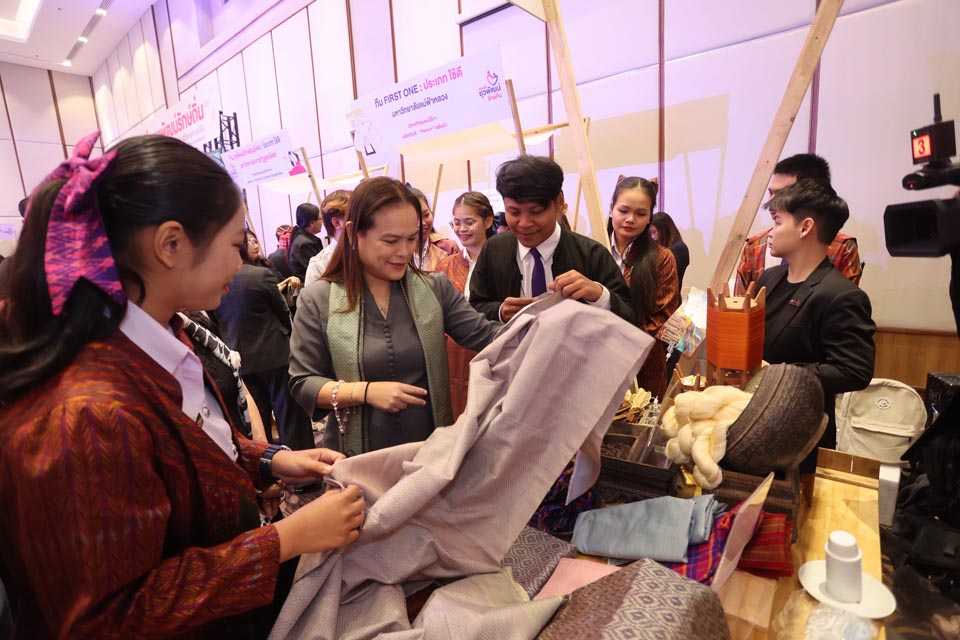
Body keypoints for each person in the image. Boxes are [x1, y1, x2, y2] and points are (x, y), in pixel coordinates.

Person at [0, 133, 365, 638]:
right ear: (170, 244)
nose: (241, 262)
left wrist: (268, 459)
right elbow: (109, 618)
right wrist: (284, 539)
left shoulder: (161, 336)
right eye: (234, 245)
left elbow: (185, 443)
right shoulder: (87, 414)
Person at [288, 177, 500, 455]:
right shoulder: (319, 299)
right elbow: (303, 382)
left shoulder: (434, 289)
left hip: (432, 453)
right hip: (359, 459)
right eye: (390, 241)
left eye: (412, 239)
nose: (404, 252)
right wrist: (364, 392)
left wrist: (546, 318)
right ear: (352, 233)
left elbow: (488, 335)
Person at [757, 179, 876, 472]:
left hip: (800, 434)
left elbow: (854, 370)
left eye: (777, 222)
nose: (770, 232)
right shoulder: (769, 279)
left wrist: (776, 374)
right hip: (754, 421)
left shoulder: (841, 295)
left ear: (805, 227)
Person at [469, 155, 634, 324]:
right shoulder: (494, 250)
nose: (524, 223)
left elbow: (629, 316)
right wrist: (499, 311)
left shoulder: (591, 254)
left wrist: (598, 295)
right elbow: (475, 306)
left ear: (559, 202)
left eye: (536, 211)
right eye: (514, 212)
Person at [217, 231, 315, 451]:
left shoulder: (216, 280)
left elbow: (217, 320)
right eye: (250, 241)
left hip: (240, 359)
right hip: (275, 356)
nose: (255, 245)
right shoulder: (260, 275)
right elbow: (283, 312)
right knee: (291, 418)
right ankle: (302, 467)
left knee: (257, 421)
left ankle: (268, 465)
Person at [735, 153, 862, 295]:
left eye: (781, 194)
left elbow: (843, 297)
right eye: (770, 193)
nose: (771, 203)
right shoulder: (755, 247)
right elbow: (740, 304)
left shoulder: (842, 248)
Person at [607, 177, 680, 398]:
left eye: (640, 213)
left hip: (644, 363)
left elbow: (662, 316)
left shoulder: (662, 258)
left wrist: (623, 345)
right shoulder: (593, 250)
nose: (630, 219)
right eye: (623, 211)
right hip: (595, 361)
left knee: (641, 416)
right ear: (611, 210)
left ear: (649, 217)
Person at [436, 191, 496, 417]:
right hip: (452, 355)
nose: (462, 229)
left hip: (491, 349)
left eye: (469, 222)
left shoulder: (502, 262)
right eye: (457, 222)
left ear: (487, 221)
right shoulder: (446, 266)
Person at [304, 189, 351, 289]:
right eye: (354, 215)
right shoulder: (319, 265)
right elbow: (313, 298)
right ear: (336, 223)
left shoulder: (370, 252)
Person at [408, 186, 459, 270]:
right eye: (414, 218)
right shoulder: (396, 252)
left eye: (426, 215)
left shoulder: (448, 248)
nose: (422, 223)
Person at [650, 211, 690, 289]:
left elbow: (668, 277)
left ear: (664, 231)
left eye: (654, 232)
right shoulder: (663, 248)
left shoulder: (679, 249)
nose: (653, 237)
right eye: (651, 233)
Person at [287, 202, 324, 281]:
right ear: (312, 222)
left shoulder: (301, 238)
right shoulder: (306, 244)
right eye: (320, 219)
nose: (322, 222)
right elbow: (317, 270)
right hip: (311, 285)